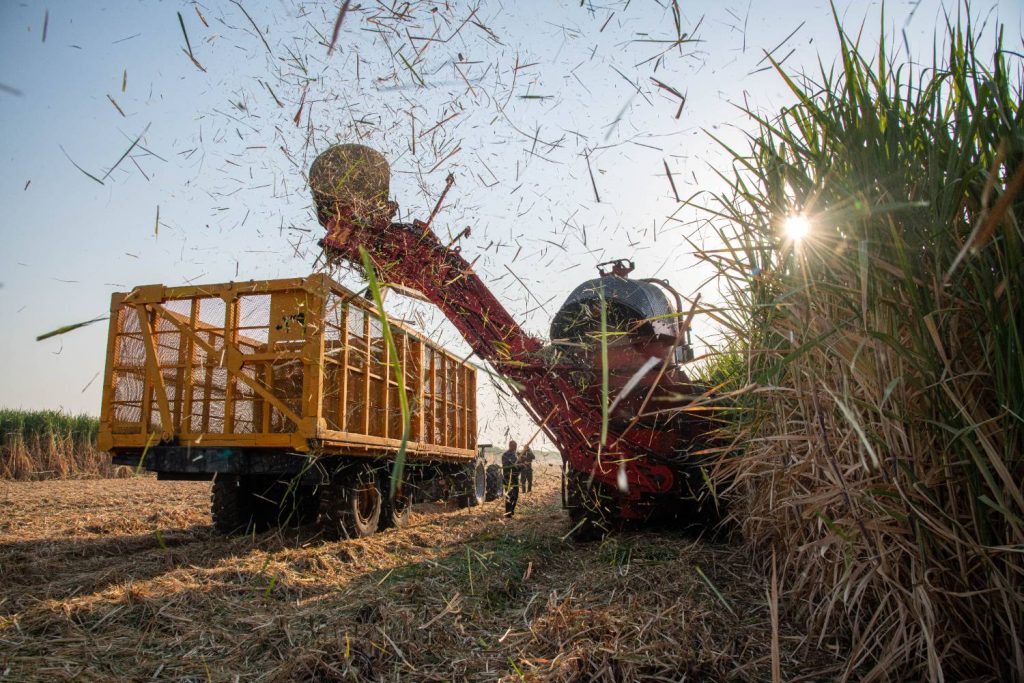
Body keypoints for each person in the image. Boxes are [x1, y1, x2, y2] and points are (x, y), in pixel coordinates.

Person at [501, 439, 520, 518]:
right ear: (510, 446)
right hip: (508, 479)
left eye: (516, 446)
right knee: (509, 495)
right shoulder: (505, 455)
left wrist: (522, 465)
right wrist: (515, 464)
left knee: (515, 495)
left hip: (515, 478)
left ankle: (512, 510)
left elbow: (518, 466)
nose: (515, 448)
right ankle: (508, 513)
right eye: (514, 446)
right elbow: (507, 465)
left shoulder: (516, 454)